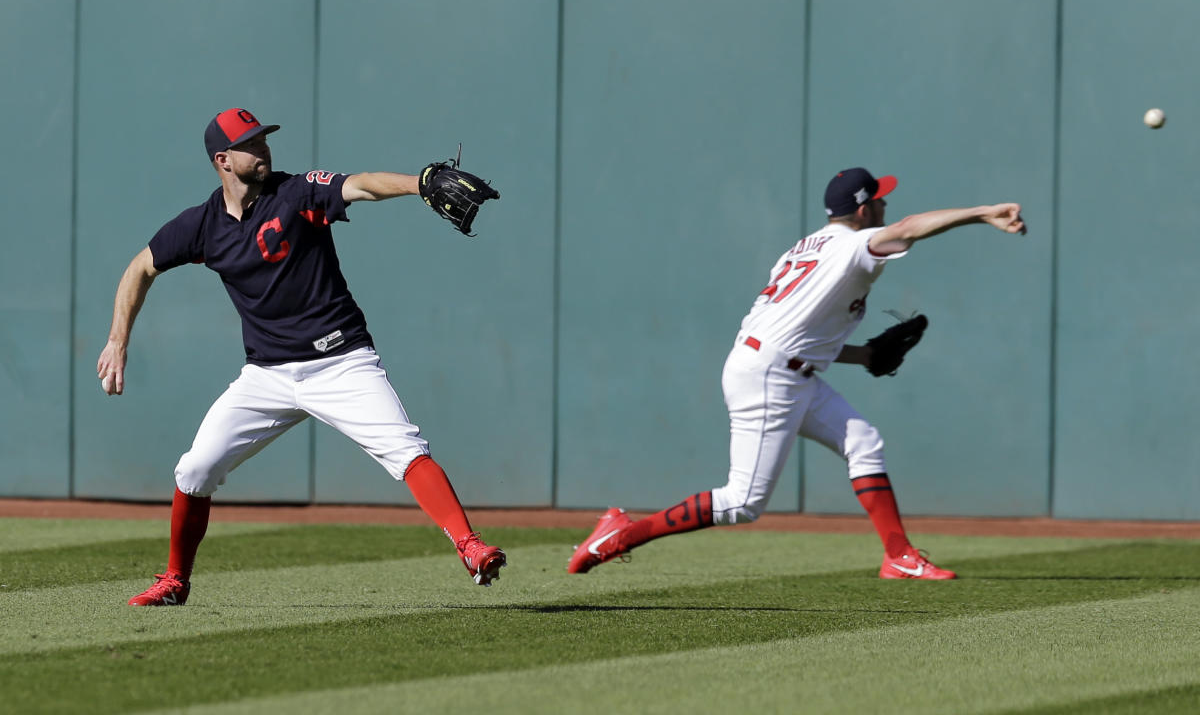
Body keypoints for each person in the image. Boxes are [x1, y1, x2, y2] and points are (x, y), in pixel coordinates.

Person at [97, 108, 506, 606]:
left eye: (264, 139)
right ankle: (174, 580)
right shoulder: (203, 225)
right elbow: (141, 267)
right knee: (194, 470)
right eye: (251, 144)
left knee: (405, 449)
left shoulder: (296, 193)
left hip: (341, 362)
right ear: (223, 160)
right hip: (266, 376)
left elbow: (363, 184)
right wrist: (118, 339)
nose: (263, 148)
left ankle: (470, 546)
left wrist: (420, 183)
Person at [568, 167, 1026, 579]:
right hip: (770, 374)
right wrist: (983, 213)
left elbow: (797, 337)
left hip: (780, 367)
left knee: (863, 440)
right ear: (865, 208)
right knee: (743, 502)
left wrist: (865, 356)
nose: (888, 205)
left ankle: (898, 556)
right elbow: (908, 229)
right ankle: (619, 535)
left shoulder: (807, 247)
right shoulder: (853, 246)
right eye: (881, 199)